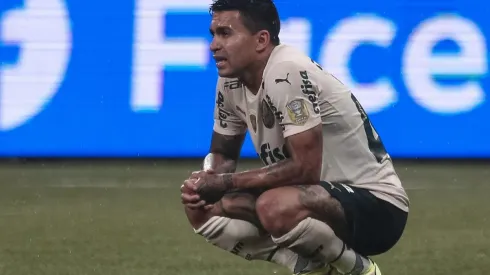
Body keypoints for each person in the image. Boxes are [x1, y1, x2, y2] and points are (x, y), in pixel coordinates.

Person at [180, 0, 409, 274]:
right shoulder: (230, 81)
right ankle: (306, 266)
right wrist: (207, 180)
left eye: (226, 33)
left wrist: (224, 182)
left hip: (378, 208)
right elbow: (223, 153)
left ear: (261, 40)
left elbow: (305, 168)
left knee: (274, 206)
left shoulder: (285, 72)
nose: (213, 45)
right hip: (309, 198)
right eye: (213, 33)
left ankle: (359, 270)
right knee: (201, 207)